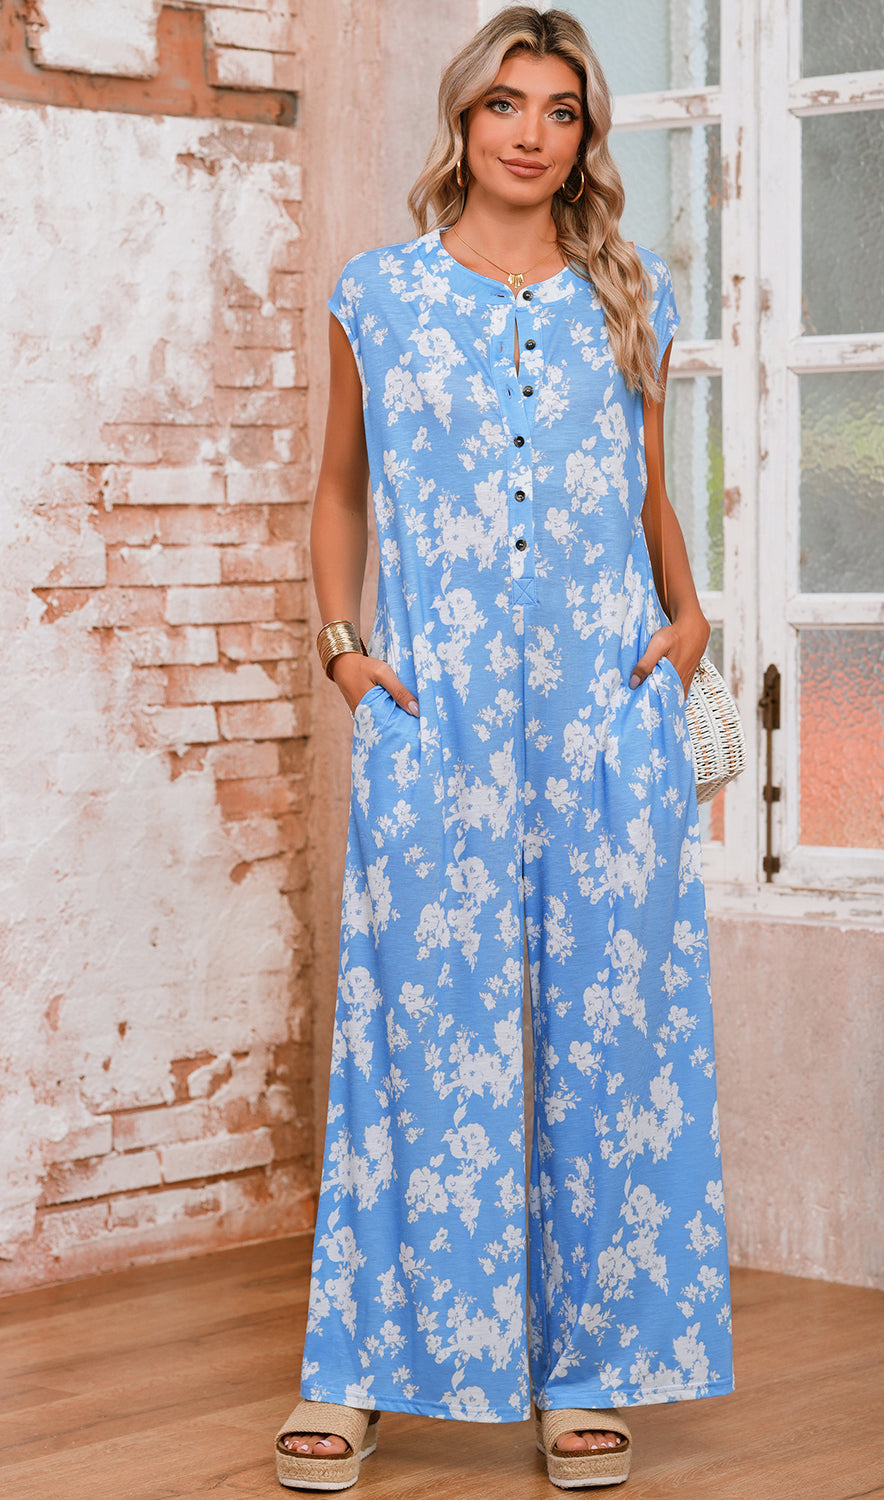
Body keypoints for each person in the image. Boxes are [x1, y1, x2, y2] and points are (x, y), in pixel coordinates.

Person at [275, 6, 733, 1491]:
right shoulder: (381, 297)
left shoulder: (629, 291)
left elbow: (646, 488)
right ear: (461, 123)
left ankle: (582, 1368)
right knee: (416, 1035)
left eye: (560, 111)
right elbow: (340, 492)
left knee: (610, 1041)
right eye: (503, 106)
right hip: (439, 716)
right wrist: (346, 653)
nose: (530, 133)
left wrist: (687, 615)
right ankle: (353, 1370)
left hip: (606, 713)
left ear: (586, 137)